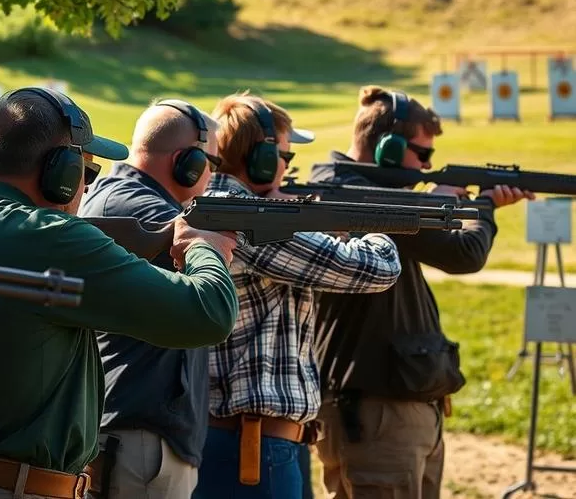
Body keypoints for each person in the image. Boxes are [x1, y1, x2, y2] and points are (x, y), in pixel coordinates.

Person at [0, 87, 241, 499]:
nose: (86, 186)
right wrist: (203, 247)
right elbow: (206, 313)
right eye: (87, 170)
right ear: (61, 170)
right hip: (13, 488)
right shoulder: (48, 237)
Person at [309, 86, 534, 499]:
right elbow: (464, 254)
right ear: (388, 151)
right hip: (376, 409)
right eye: (422, 156)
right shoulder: (354, 196)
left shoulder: (365, 192)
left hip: (394, 402)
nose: (428, 167)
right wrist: (481, 209)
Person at [191, 92, 403, 499]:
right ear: (261, 159)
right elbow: (377, 269)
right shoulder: (241, 214)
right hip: (251, 446)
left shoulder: (227, 206)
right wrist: (362, 225)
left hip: (258, 441)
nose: (287, 170)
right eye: (284, 158)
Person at [76, 98, 222, 499]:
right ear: (186, 161)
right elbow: (192, 240)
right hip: (140, 437)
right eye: (212, 162)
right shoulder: (130, 205)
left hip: (146, 432)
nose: (214, 175)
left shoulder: (132, 201)